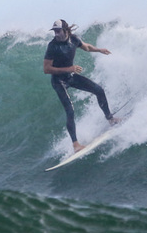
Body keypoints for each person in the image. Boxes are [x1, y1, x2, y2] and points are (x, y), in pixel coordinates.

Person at [43, 19, 119, 152]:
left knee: (99, 90)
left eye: (58, 31)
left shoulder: (74, 39)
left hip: (70, 77)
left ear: (65, 30)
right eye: (54, 31)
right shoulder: (52, 46)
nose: (56, 34)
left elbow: (87, 47)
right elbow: (47, 69)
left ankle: (111, 119)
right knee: (70, 110)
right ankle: (76, 145)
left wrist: (99, 50)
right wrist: (69, 69)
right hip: (58, 81)